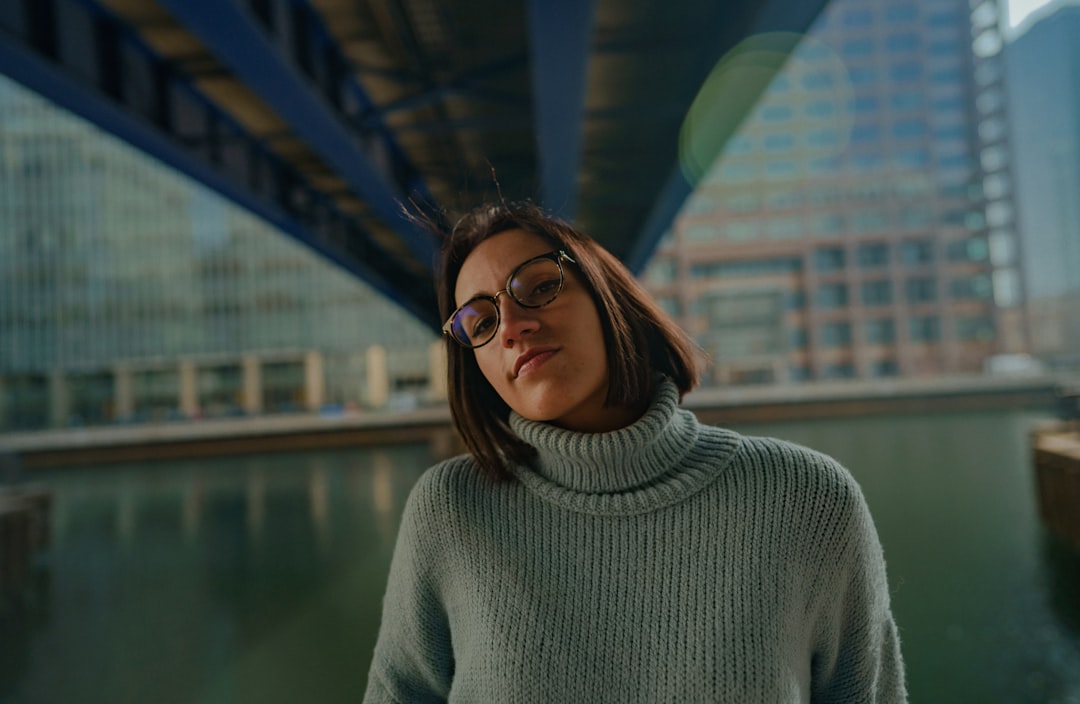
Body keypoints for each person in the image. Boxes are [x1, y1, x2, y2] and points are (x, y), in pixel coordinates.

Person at [363, 201, 907, 703]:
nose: (511, 327)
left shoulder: (806, 500)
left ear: (607, 297)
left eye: (537, 286)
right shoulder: (451, 510)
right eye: (480, 322)